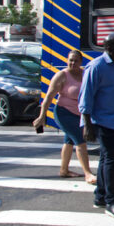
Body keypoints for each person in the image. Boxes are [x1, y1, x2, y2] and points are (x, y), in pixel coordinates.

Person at [79, 34, 114, 219]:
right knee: (111, 160)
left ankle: (100, 196)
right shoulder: (96, 67)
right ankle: (112, 201)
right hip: (103, 122)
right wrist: (87, 125)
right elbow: (86, 97)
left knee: (106, 159)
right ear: (110, 48)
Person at [33, 49, 96, 185]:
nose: (72, 63)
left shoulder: (85, 74)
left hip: (79, 114)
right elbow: (49, 96)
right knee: (80, 140)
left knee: (69, 141)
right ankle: (87, 173)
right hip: (64, 113)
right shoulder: (61, 75)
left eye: (75, 60)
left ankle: (64, 170)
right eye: (70, 60)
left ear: (81, 62)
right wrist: (42, 116)